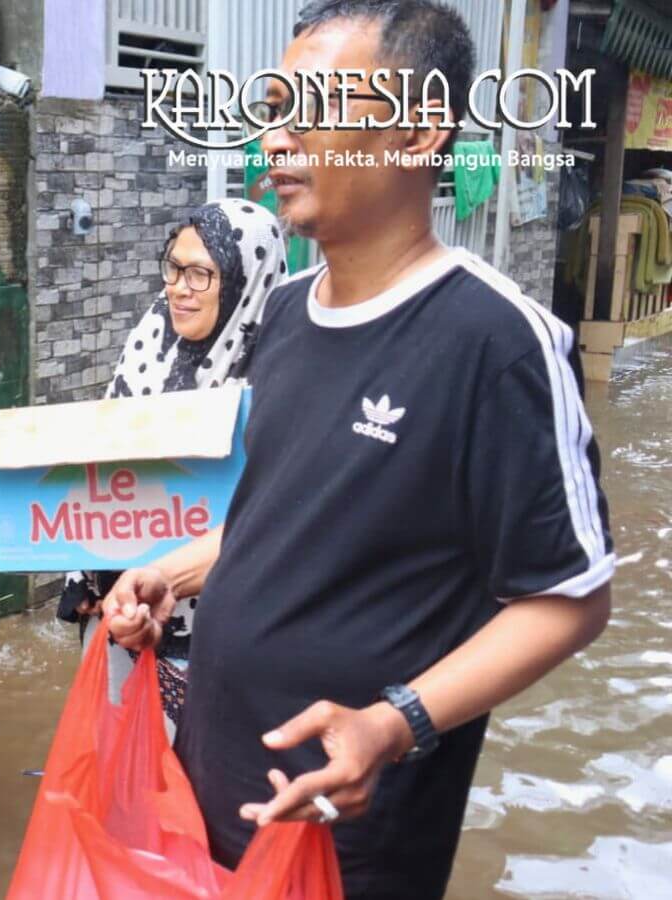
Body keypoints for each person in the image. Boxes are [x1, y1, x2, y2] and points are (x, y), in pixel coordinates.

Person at [102, 3, 612, 897]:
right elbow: (284, 514)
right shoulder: (287, 313)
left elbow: (568, 599)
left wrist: (397, 721)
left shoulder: (496, 343)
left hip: (348, 828)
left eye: (312, 107)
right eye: (272, 107)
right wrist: (168, 575)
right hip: (214, 779)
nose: (279, 136)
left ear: (417, 132)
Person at [59, 199, 284, 725]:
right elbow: (105, 460)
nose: (177, 287)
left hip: (229, 630)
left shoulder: (284, 371)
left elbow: (277, 518)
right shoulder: (152, 338)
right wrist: (89, 576)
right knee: (124, 771)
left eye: (201, 274)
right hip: (129, 610)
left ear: (244, 282)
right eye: (174, 267)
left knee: (208, 784)